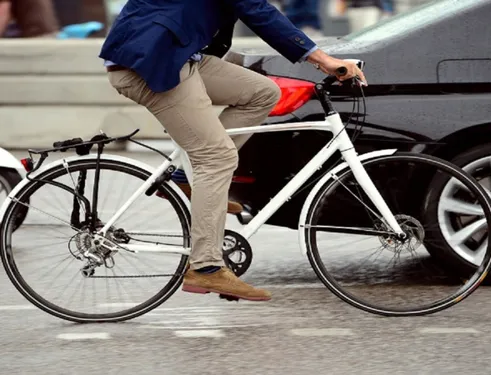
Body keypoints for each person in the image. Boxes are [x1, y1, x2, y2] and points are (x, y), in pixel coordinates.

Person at [99, 0, 366, 302]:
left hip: (179, 54)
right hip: (151, 61)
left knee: (263, 92)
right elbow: (256, 9)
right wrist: (322, 59)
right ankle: (206, 267)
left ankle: (186, 177)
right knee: (216, 157)